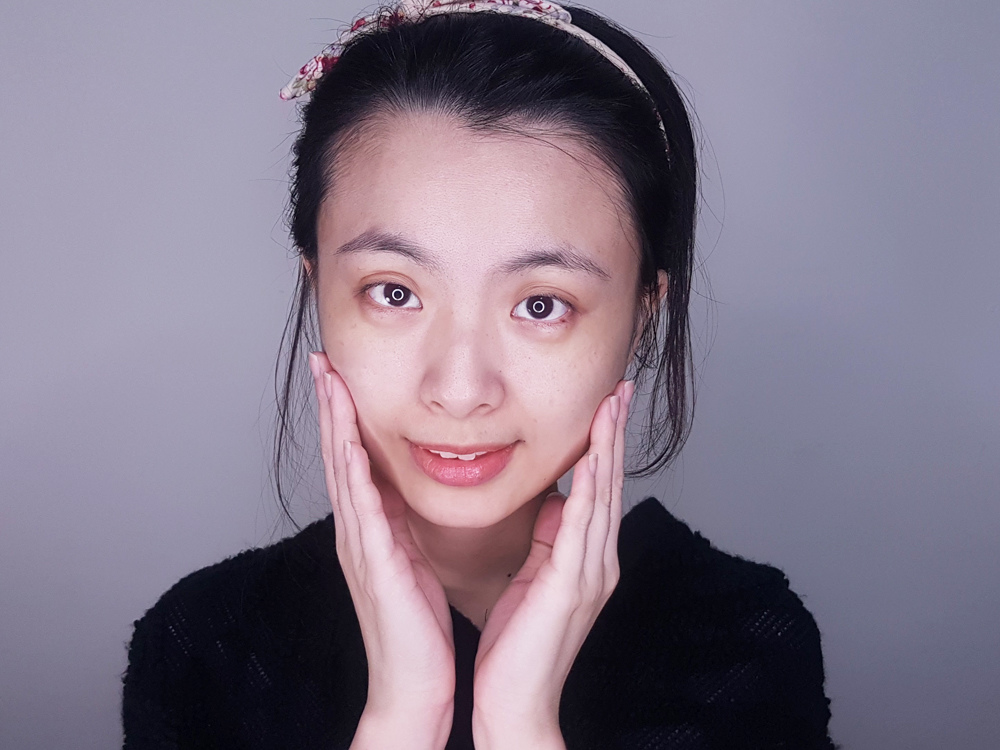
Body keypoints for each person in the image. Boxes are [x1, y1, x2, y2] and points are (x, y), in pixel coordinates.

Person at [121, 1, 836, 748]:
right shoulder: (204, 650)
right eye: (394, 293)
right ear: (317, 287)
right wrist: (405, 714)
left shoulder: (743, 649)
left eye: (540, 305)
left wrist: (517, 724)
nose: (460, 391)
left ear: (641, 314)